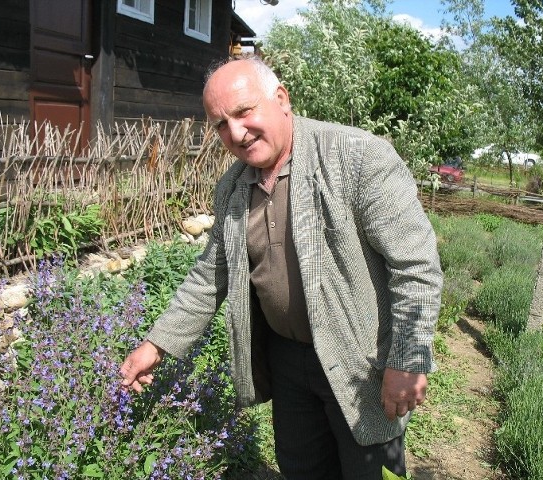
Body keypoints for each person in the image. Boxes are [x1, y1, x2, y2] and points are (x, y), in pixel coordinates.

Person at [120, 56, 443, 480]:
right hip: (288, 361)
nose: (235, 133)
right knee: (302, 469)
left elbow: (416, 266)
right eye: (220, 124)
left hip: (360, 362)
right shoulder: (235, 186)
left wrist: (408, 358)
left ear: (281, 99)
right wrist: (157, 345)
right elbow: (209, 277)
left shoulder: (357, 158)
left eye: (243, 112)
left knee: (369, 472)